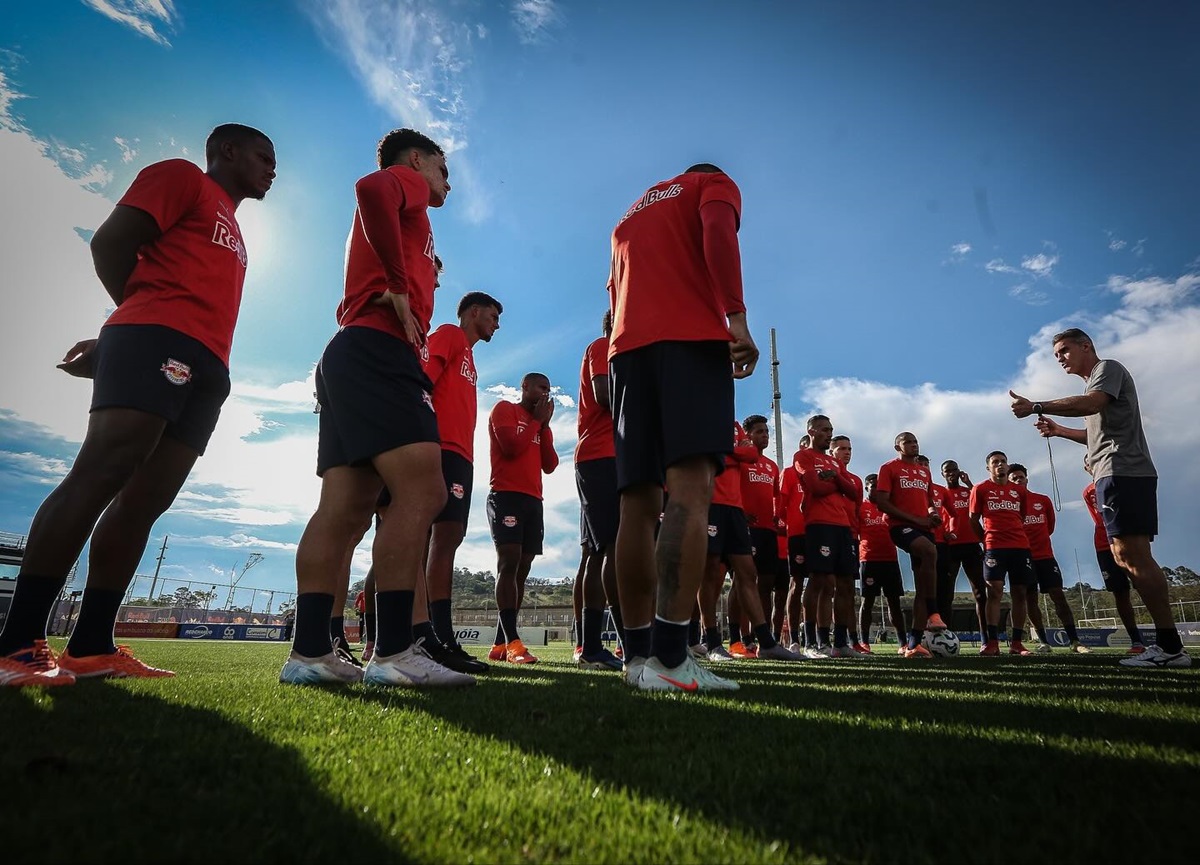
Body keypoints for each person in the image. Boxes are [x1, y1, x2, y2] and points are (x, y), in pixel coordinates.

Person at [1, 124, 275, 687]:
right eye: (263, 157)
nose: (272, 169)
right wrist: (133, 327)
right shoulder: (181, 179)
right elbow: (110, 244)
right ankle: (16, 644)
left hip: (208, 364)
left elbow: (181, 276)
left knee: (144, 501)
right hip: (157, 340)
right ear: (228, 151)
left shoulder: (235, 228)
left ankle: (91, 644)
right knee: (102, 471)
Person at [280, 128, 473, 688]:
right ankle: (392, 651)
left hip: (350, 352)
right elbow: (368, 188)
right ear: (417, 160)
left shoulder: (415, 214)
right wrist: (396, 284)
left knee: (347, 505)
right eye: (442, 168)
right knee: (424, 490)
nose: (447, 182)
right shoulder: (402, 180)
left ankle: (311, 651)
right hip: (378, 348)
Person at [609, 162, 757, 692]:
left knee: (637, 504)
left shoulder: (628, 215)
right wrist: (736, 318)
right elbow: (719, 232)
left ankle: (637, 658)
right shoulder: (711, 184)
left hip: (626, 353)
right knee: (691, 492)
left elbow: (613, 296)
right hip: (690, 341)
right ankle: (672, 660)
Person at [1011, 327, 1189, 667]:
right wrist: (1059, 430)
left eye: (1064, 350)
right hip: (1115, 472)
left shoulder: (1107, 370)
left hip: (1124, 471)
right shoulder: (1094, 386)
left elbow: (1091, 404)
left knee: (1133, 555)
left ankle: (1169, 646)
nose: (1060, 358)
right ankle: (1168, 645)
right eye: (1056, 355)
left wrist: (1037, 405)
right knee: (1126, 556)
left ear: (1086, 346)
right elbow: (1096, 435)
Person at [415, 290, 503, 675]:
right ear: (474, 311)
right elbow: (422, 382)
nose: (497, 324)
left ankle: (441, 635)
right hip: (440, 447)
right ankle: (428, 634)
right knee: (429, 537)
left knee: (449, 537)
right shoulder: (449, 334)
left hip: (462, 456)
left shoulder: (470, 358)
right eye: (493, 316)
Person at [485, 373, 559, 665]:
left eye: (549, 390)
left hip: (533, 500)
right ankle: (514, 641)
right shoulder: (505, 409)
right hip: (505, 495)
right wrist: (536, 423)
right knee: (509, 562)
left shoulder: (540, 424)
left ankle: (500, 644)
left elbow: (550, 465)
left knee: (523, 569)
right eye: (541, 387)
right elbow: (511, 447)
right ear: (525, 387)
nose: (545, 394)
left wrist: (546, 426)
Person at [574, 311, 624, 670]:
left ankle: (593, 647)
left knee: (599, 552)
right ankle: (632, 643)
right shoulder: (602, 346)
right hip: (600, 457)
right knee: (611, 549)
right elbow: (604, 395)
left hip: (618, 457)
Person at [874, 432, 949, 658]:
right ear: (897, 446)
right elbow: (882, 502)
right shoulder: (889, 468)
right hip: (901, 527)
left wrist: (933, 514)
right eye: (907, 442)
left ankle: (913, 644)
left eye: (915, 441)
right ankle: (934, 611)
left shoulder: (923, 471)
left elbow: (929, 502)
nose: (913, 445)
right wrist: (914, 519)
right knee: (929, 551)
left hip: (924, 527)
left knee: (922, 584)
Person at [794, 416, 862, 659]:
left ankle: (840, 643)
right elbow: (815, 487)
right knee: (819, 581)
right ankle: (811, 643)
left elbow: (853, 491)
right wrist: (836, 481)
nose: (828, 434)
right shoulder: (803, 457)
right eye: (824, 430)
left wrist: (832, 477)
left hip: (842, 526)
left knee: (845, 584)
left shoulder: (833, 462)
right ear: (812, 431)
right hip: (819, 525)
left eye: (831, 430)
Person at [1006, 463, 1088, 653]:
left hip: (1045, 556)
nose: (1018, 481)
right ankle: (1044, 642)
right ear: (1009, 482)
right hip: (1022, 556)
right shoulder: (1009, 505)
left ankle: (1075, 641)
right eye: (1014, 479)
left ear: (1026, 479)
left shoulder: (1042, 500)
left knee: (1058, 595)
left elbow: (1049, 528)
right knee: (1030, 599)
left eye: (1021, 477)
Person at [969, 451, 1035, 656]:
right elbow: (973, 520)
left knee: (1020, 593)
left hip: (1019, 547)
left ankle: (1017, 643)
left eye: (1003, 462)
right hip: (994, 547)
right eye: (995, 462)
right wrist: (985, 540)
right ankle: (992, 642)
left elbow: (1021, 517)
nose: (1000, 465)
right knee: (994, 591)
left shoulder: (1019, 491)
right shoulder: (980, 489)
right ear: (988, 467)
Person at [1083, 456, 1144, 653]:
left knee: (1144, 584)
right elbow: (1098, 518)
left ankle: (1166, 636)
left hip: (1128, 541)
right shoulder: (1088, 492)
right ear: (1087, 468)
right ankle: (1136, 642)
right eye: (1090, 463)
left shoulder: (1121, 481)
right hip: (1103, 545)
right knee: (1120, 592)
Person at [741, 415, 784, 643]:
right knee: (744, 580)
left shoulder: (772, 466)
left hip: (768, 531)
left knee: (766, 585)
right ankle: (744, 637)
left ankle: (765, 637)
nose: (765, 435)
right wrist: (740, 513)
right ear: (747, 435)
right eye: (759, 432)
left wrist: (777, 518)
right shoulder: (742, 461)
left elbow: (776, 496)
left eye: (766, 432)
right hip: (748, 529)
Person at [940, 459, 988, 644]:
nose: (951, 473)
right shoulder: (941, 493)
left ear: (959, 472)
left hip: (971, 545)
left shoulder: (969, 492)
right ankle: (947, 637)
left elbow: (984, 501)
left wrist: (968, 483)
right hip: (950, 547)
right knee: (947, 593)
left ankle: (986, 639)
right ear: (943, 474)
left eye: (954, 470)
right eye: (947, 471)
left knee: (980, 593)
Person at [858, 474, 907, 653]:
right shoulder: (861, 507)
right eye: (873, 487)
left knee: (894, 603)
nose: (877, 490)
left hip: (890, 560)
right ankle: (864, 642)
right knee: (868, 601)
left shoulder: (889, 507)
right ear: (866, 488)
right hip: (869, 560)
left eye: (880, 487)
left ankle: (903, 643)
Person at [832, 435, 865, 651]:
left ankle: (844, 642)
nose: (847, 452)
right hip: (828, 531)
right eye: (842, 448)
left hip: (850, 536)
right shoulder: (825, 474)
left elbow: (858, 511)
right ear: (832, 451)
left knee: (847, 589)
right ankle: (819, 639)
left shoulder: (856, 480)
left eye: (849, 449)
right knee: (825, 587)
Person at [776, 438, 809, 653]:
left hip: (820, 531)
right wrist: (782, 523)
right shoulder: (788, 473)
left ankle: (816, 638)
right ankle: (794, 639)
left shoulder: (824, 472)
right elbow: (780, 504)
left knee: (822, 584)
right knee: (796, 584)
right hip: (796, 533)